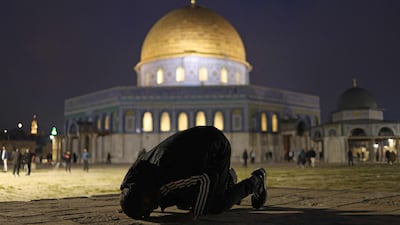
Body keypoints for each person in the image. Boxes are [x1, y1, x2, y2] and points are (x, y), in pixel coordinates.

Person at [120, 126, 267, 220]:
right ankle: (227, 180)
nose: (151, 211)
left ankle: (256, 181)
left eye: (147, 210)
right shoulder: (140, 175)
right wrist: (129, 206)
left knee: (214, 205)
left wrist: (197, 213)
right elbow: (127, 189)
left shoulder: (166, 176)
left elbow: (207, 178)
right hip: (197, 148)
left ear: (145, 197)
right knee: (183, 200)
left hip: (214, 146)